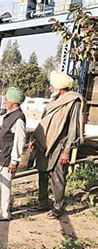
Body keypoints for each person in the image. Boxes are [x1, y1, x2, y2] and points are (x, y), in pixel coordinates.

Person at [30, 70, 85, 219]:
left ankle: (58, 208)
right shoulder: (53, 102)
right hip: (45, 144)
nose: (50, 87)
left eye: (52, 85)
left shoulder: (73, 101)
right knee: (42, 173)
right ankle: (42, 203)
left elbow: (73, 128)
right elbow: (45, 124)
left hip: (60, 146)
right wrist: (36, 140)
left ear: (59, 87)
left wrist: (67, 151)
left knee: (58, 177)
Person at [0, 87, 27, 221]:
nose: (4, 101)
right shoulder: (9, 114)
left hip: (5, 158)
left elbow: (19, 141)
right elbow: (1, 123)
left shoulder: (19, 119)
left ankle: (3, 213)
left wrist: (14, 161)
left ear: (14, 102)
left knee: (3, 187)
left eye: (7, 99)